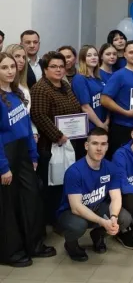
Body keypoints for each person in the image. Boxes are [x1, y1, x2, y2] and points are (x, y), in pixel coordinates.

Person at [0, 53, 55, 268]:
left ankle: (34, 245)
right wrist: (3, 167)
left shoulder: (17, 94)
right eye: (4, 67)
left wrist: (33, 155)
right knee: (9, 206)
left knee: (31, 199)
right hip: (6, 155)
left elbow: (26, 127)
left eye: (12, 67)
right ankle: (11, 252)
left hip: (23, 153)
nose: (10, 71)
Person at [57, 128, 133, 262]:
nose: (99, 148)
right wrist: (102, 222)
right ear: (86, 146)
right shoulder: (74, 171)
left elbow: (116, 197)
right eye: (95, 143)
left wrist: (113, 218)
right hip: (72, 213)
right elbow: (76, 207)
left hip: (97, 207)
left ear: (107, 146)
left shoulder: (111, 168)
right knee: (78, 225)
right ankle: (71, 244)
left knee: (124, 218)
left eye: (103, 144)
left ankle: (98, 235)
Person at [30, 51, 83, 224]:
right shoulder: (40, 89)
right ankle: (52, 220)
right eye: (53, 66)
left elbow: (75, 107)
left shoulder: (65, 85)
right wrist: (57, 135)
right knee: (52, 185)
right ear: (45, 69)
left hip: (69, 142)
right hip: (50, 146)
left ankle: (63, 216)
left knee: (65, 182)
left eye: (61, 66)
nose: (58, 70)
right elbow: (38, 115)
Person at [71, 45, 108, 132]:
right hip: (91, 125)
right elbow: (85, 107)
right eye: (89, 55)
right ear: (83, 59)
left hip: (104, 122)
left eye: (95, 55)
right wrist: (101, 126)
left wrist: (107, 121)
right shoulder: (79, 78)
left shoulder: (99, 78)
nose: (93, 57)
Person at [5, 44, 38, 139]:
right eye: (17, 56)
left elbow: (27, 115)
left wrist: (34, 131)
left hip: (23, 136)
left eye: (24, 57)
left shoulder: (24, 88)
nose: (22, 60)